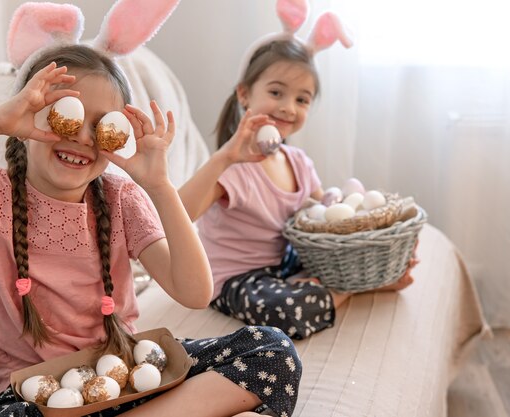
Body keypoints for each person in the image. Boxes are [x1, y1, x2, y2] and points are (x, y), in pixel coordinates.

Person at [0, 34, 302, 417]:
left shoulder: (121, 198)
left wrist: (159, 186)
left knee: (271, 350)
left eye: (103, 126)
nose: (83, 137)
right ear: (25, 120)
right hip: (36, 399)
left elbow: (196, 293)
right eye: (65, 117)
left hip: (130, 378)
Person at [179, 10, 418, 340]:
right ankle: (346, 291)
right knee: (291, 312)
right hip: (235, 278)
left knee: (339, 261)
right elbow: (178, 216)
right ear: (245, 94)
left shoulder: (299, 161)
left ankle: (355, 280)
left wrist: (358, 218)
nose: (289, 108)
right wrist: (224, 157)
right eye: (276, 93)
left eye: (302, 99)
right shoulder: (233, 169)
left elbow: (328, 217)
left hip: (285, 263)